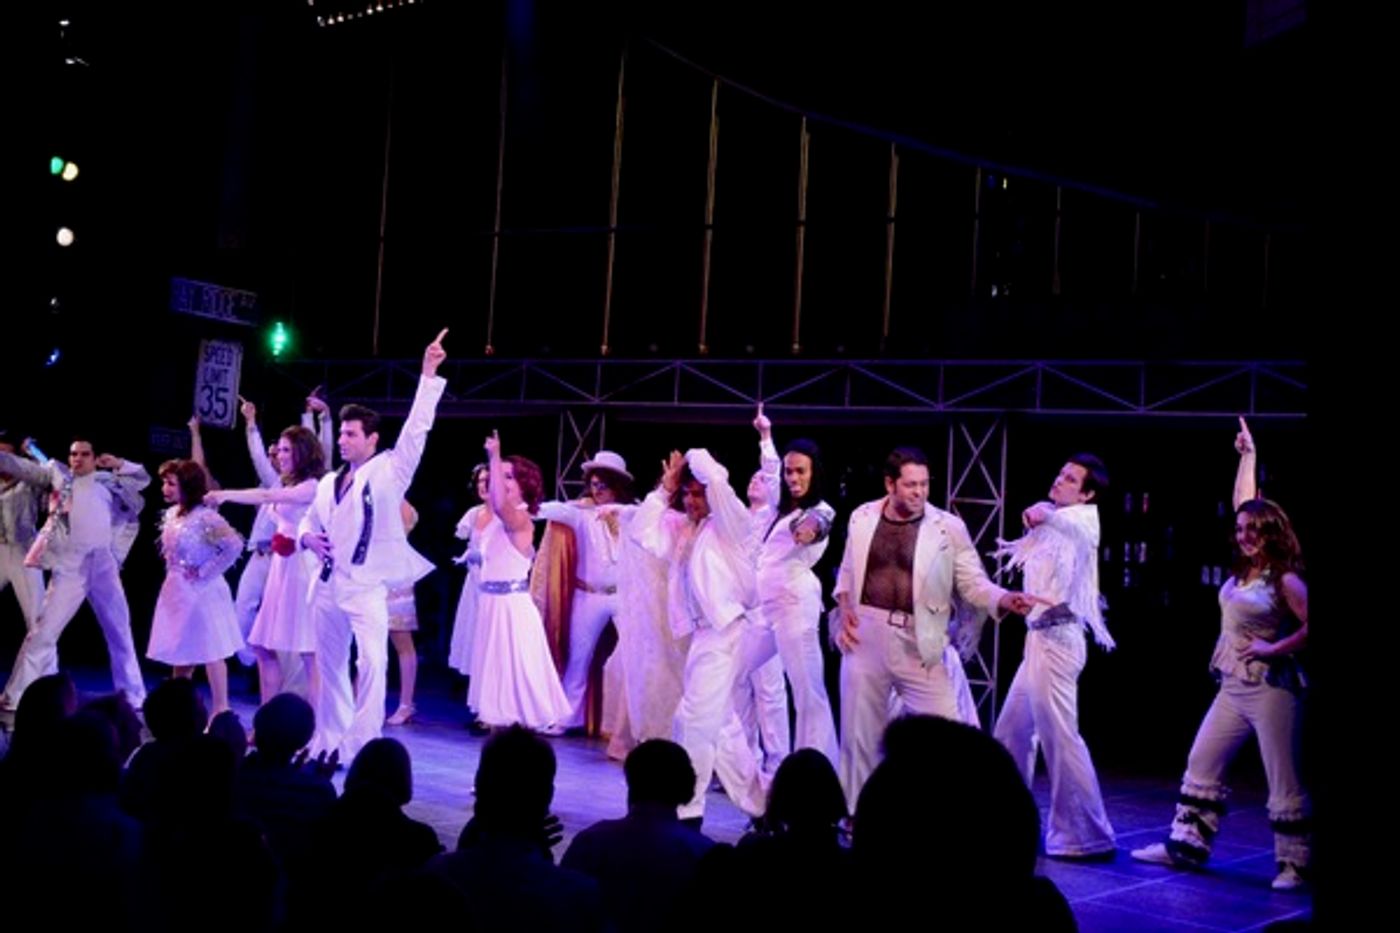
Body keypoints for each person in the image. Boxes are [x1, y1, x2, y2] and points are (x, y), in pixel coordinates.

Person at [1131, 417, 1311, 891]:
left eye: (1255, 529)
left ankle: (1295, 863)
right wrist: (1247, 457)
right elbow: (1242, 503)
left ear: (1272, 532)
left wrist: (1275, 646)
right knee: (1201, 760)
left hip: (1271, 689)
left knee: (1283, 778)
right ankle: (1186, 845)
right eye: (1241, 529)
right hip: (1231, 684)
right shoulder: (1245, 570)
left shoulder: (1285, 579)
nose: (1245, 535)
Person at [832, 445, 1036, 809]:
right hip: (867, 635)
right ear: (890, 484)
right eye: (911, 485)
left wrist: (1003, 598)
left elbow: (972, 582)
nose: (919, 493)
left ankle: (960, 813)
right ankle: (855, 816)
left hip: (919, 640)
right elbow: (847, 572)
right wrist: (844, 608)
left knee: (949, 733)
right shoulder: (861, 517)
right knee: (859, 737)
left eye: (925, 484)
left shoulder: (947, 528)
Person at [299, 329, 448, 759]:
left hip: (366, 587)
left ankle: (364, 744)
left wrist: (427, 374)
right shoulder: (329, 481)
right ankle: (330, 740)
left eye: (350, 434)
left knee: (372, 663)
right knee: (329, 670)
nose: (342, 440)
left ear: (371, 439)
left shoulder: (389, 471)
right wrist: (308, 536)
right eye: (341, 434)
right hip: (327, 585)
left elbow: (417, 430)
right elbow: (310, 519)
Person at [630, 447, 767, 823]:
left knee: (691, 719)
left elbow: (717, 479)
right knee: (720, 725)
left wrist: (693, 454)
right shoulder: (682, 529)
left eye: (697, 493)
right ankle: (762, 806)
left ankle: (688, 810)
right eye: (686, 494)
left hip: (728, 632)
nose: (690, 501)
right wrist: (665, 487)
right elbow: (641, 533)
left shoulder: (732, 524)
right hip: (703, 637)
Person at [991, 454, 1117, 858]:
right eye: (1060, 473)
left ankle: (1085, 835)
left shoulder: (1083, 520)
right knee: (1011, 730)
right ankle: (1003, 819)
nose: (1059, 480)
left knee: (1061, 738)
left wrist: (1040, 511)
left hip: (1060, 644)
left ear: (1088, 493)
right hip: (1038, 642)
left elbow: (1050, 517)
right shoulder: (1057, 524)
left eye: (1070, 478)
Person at [0, 438, 150, 710]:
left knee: (120, 631)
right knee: (43, 631)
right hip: (71, 564)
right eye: (73, 454)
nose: (77, 459)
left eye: (84, 454)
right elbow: (20, 467)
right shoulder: (58, 476)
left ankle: (134, 695)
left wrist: (118, 463)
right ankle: (17, 694)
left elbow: (142, 479)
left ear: (94, 458)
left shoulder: (108, 482)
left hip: (103, 563)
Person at [205, 425, 328, 704]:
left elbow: (265, 497)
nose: (280, 455)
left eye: (286, 450)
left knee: (309, 650)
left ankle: (318, 726)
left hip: (301, 568)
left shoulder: (312, 486)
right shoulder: (286, 483)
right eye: (279, 450)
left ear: (303, 452)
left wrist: (224, 495)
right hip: (280, 568)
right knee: (261, 645)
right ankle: (266, 718)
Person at [467, 431, 572, 730]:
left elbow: (500, 504)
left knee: (514, 698)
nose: (499, 481)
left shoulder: (521, 519)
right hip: (493, 607)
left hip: (510, 612)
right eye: (500, 477)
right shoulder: (497, 520)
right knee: (497, 700)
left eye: (508, 477)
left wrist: (495, 457)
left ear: (524, 485)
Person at [534, 450, 637, 733]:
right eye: (593, 484)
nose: (597, 490)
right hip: (589, 595)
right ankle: (567, 718)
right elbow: (549, 509)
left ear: (616, 484)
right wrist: (521, 506)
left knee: (634, 654)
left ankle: (631, 723)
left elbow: (655, 517)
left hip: (624, 596)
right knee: (579, 656)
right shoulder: (581, 514)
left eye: (603, 484)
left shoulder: (632, 514)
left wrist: (622, 511)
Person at [146, 459, 245, 715]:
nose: (165, 488)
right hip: (177, 589)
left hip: (203, 590)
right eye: (164, 483)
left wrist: (203, 571)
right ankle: (178, 707)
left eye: (171, 483)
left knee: (211, 649)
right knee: (182, 650)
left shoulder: (205, 518)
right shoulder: (171, 514)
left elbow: (233, 546)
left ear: (187, 486)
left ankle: (221, 709)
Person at [0, 433, 49, 647]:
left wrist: (33, 450)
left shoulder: (29, 480)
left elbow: (53, 474)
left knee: (37, 618)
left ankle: (42, 674)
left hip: (25, 550)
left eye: (6, 454)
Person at [385, 500, 426, 725]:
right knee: (368, 639)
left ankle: (406, 703)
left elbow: (403, 525)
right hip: (372, 575)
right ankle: (357, 694)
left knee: (402, 641)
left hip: (395, 577)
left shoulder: (401, 504)